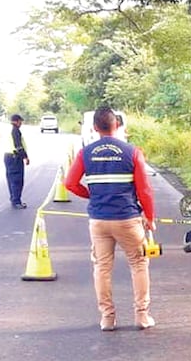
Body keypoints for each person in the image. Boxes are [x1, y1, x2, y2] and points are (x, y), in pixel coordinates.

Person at [63, 106, 156, 331]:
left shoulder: (85, 153)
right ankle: (142, 316)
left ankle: (107, 318)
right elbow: (144, 190)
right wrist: (150, 216)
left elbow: (70, 183)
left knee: (102, 268)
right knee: (139, 263)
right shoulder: (132, 151)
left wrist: (92, 195)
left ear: (95, 128)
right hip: (127, 219)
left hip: (99, 221)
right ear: (117, 125)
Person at [5, 113, 29, 209]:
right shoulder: (15, 131)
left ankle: (13, 198)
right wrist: (25, 157)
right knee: (17, 180)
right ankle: (16, 201)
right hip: (15, 157)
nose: (21, 123)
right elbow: (18, 146)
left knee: (11, 179)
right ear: (16, 121)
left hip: (8, 156)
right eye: (20, 121)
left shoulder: (9, 130)